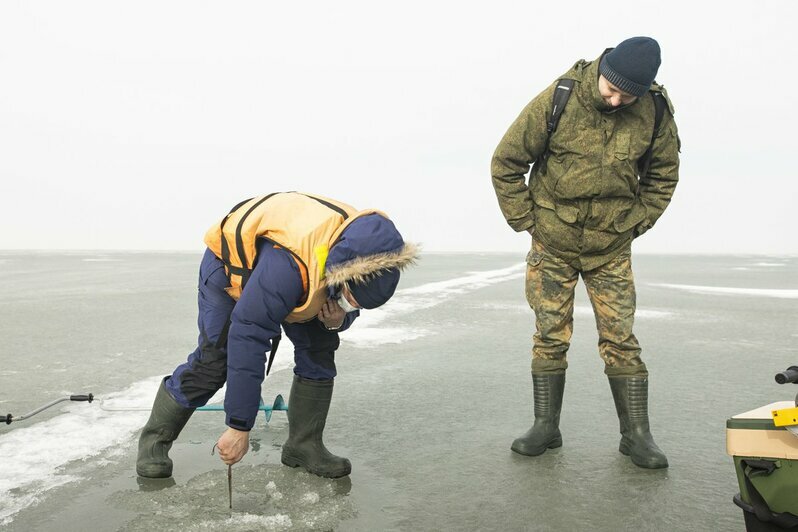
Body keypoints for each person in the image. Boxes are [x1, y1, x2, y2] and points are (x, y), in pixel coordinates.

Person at [491, 37, 680, 469]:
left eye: (626, 96)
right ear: (602, 72)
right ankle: (545, 427)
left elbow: (663, 176)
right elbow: (505, 162)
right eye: (610, 90)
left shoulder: (655, 111)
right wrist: (528, 221)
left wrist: (638, 221)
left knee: (621, 340)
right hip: (552, 241)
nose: (615, 100)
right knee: (549, 335)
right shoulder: (559, 96)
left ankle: (636, 437)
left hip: (610, 245)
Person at [136, 192, 419, 479]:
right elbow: (249, 332)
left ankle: (303, 445)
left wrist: (340, 318)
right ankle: (154, 441)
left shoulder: (359, 252)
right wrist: (239, 426)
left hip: (303, 274)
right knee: (214, 363)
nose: (350, 306)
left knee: (319, 344)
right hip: (232, 270)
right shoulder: (289, 267)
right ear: (343, 274)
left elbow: (343, 301)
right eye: (350, 299)